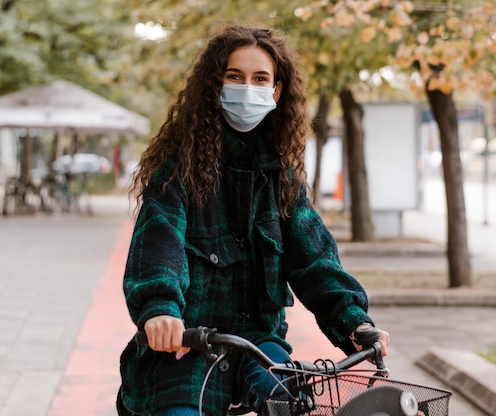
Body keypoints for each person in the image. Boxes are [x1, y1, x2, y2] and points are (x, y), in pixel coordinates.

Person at [117, 23, 390, 416]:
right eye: (234, 77)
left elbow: (315, 262)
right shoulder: (178, 172)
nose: (248, 88)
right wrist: (160, 309)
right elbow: (159, 244)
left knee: (290, 402)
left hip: (259, 346)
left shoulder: (281, 178)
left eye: (260, 78)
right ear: (216, 86)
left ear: (276, 91)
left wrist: (354, 323)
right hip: (187, 345)